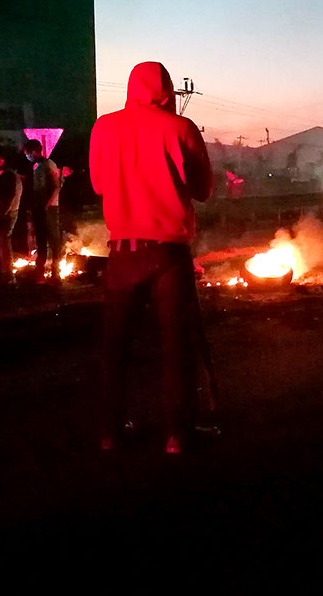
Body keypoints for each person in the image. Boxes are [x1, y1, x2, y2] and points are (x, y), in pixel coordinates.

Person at [89, 61, 213, 453]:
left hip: (123, 251)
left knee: (115, 346)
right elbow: (204, 189)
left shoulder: (104, 127)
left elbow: (98, 184)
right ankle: (177, 433)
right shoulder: (181, 128)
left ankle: (110, 431)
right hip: (168, 253)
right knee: (177, 345)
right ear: (168, 91)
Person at [23, 139, 62, 284]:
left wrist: (48, 203)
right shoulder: (36, 166)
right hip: (38, 207)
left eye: (27, 153)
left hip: (49, 208)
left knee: (53, 240)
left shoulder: (48, 164)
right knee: (41, 240)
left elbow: (56, 186)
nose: (27, 156)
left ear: (33, 152)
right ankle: (40, 274)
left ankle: (55, 273)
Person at [0, 151, 23, 285]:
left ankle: (7, 276)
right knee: (1, 244)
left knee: (3, 244)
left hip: (4, 215)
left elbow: (8, 196)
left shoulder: (7, 175)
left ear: (1, 161)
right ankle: (4, 272)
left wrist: (2, 213)